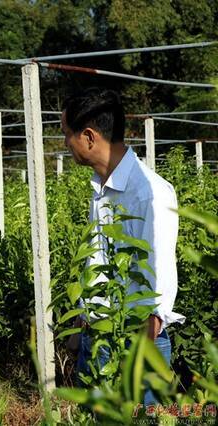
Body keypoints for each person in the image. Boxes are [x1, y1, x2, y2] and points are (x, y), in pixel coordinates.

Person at [61, 88, 184, 405]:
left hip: (135, 342)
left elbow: (158, 280)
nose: (64, 144)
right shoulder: (100, 188)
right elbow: (98, 261)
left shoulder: (150, 192)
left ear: (89, 137)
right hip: (98, 335)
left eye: (66, 135)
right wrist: (81, 326)